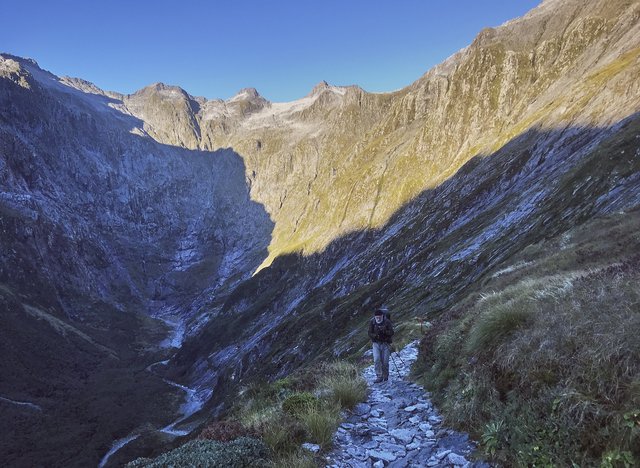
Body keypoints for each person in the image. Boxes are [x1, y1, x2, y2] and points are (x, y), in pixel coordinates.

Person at [368, 308, 394, 383]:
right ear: (375, 317)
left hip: (385, 343)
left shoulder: (387, 322)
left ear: (382, 316)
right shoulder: (372, 322)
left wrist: (384, 331)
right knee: (376, 360)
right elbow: (369, 333)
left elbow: (392, 332)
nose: (378, 319)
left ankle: (385, 376)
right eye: (377, 317)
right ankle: (379, 376)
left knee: (385, 362)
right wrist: (375, 336)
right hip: (376, 344)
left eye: (379, 317)